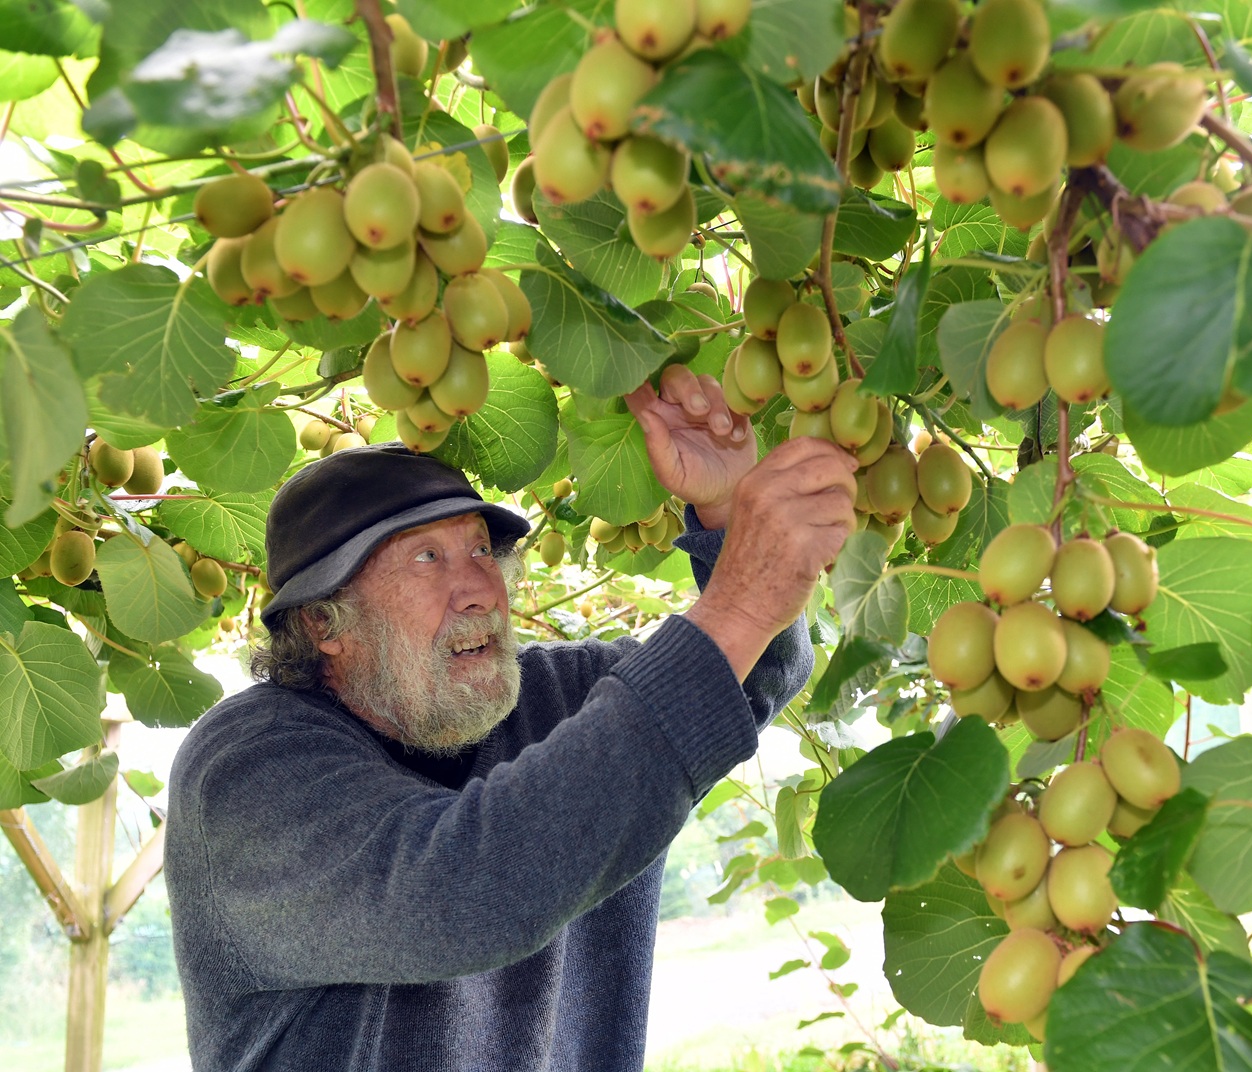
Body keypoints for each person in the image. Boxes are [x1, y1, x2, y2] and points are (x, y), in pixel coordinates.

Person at [163, 365, 859, 1072]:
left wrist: (727, 517)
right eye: (427, 558)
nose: (476, 589)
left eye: (479, 550)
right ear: (323, 622)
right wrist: (738, 603)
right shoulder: (245, 770)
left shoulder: (559, 697)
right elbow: (460, 890)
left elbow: (745, 682)